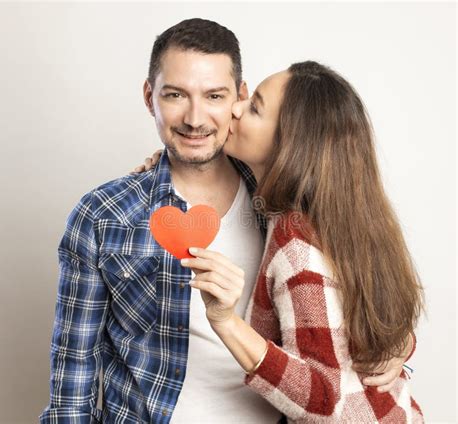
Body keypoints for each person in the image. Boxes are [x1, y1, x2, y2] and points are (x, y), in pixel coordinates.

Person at [39, 17, 412, 424]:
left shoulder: (289, 208)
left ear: (239, 97)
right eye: (176, 95)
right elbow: (70, 391)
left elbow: (359, 300)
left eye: (214, 96)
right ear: (151, 97)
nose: (195, 118)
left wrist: (399, 346)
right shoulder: (104, 216)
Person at [137, 61, 424, 422]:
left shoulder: (295, 243)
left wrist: (227, 321)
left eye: (254, 107)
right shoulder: (337, 212)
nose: (236, 109)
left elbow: (322, 398)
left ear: (291, 143)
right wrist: (163, 170)